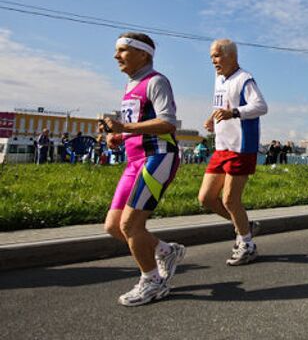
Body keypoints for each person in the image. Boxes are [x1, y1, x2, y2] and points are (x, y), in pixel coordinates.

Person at [100, 32, 185, 307]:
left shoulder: (156, 81)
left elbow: (168, 123)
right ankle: (165, 251)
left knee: (131, 225)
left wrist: (124, 128)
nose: (116, 56)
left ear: (143, 54)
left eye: (123, 50)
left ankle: (152, 282)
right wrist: (120, 137)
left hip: (158, 157)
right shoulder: (130, 85)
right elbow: (136, 125)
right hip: (133, 160)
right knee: (114, 226)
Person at [198, 39, 268, 266]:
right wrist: (213, 117)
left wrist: (235, 113)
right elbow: (221, 105)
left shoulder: (244, 78)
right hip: (221, 146)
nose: (213, 61)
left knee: (229, 199)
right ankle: (245, 227)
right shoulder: (218, 79)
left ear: (231, 56)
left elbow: (261, 106)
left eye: (217, 56)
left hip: (241, 146)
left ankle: (247, 244)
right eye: (211, 57)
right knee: (206, 198)